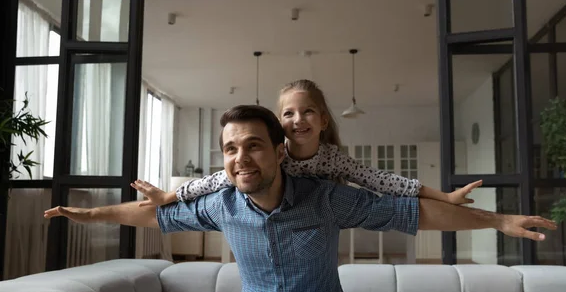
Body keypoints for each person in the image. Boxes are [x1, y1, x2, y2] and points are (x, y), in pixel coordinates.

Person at [45, 105, 556, 292]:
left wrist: (496, 221)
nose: (240, 158)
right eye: (229, 149)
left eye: (253, 146)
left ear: (279, 153)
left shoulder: (326, 197)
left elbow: (413, 212)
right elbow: (152, 213)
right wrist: (86, 213)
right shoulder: (221, 203)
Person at [132, 79, 482, 209]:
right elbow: (215, 179)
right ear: (279, 123)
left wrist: (446, 197)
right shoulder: (273, 157)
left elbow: (386, 181)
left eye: (308, 112)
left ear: (323, 120)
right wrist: (168, 196)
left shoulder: (334, 159)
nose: (298, 120)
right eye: (288, 114)